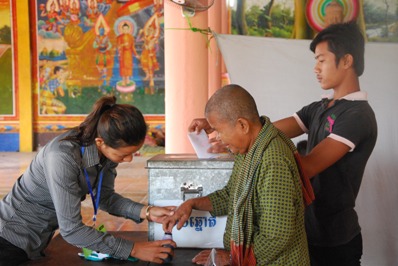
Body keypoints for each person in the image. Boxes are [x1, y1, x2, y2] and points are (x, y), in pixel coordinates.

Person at [188, 21, 378, 265]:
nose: (316, 68)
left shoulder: (357, 116)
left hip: (333, 237)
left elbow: (304, 166)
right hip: (304, 229)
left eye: (322, 60)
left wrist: (239, 134)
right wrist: (224, 125)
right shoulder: (319, 107)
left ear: (347, 60)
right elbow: (261, 132)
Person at [0, 96, 176, 265]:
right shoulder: (62, 157)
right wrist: (134, 249)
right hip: (10, 237)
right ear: (100, 142)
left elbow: (105, 197)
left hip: (38, 239)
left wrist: (146, 212)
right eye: (124, 154)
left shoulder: (104, 152)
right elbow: (71, 230)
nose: (129, 159)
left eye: (133, 153)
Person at [164, 84, 310, 265]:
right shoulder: (249, 150)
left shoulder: (272, 160)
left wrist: (233, 258)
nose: (217, 137)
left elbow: (276, 236)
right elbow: (230, 195)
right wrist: (192, 203)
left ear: (242, 125)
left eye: (219, 130)